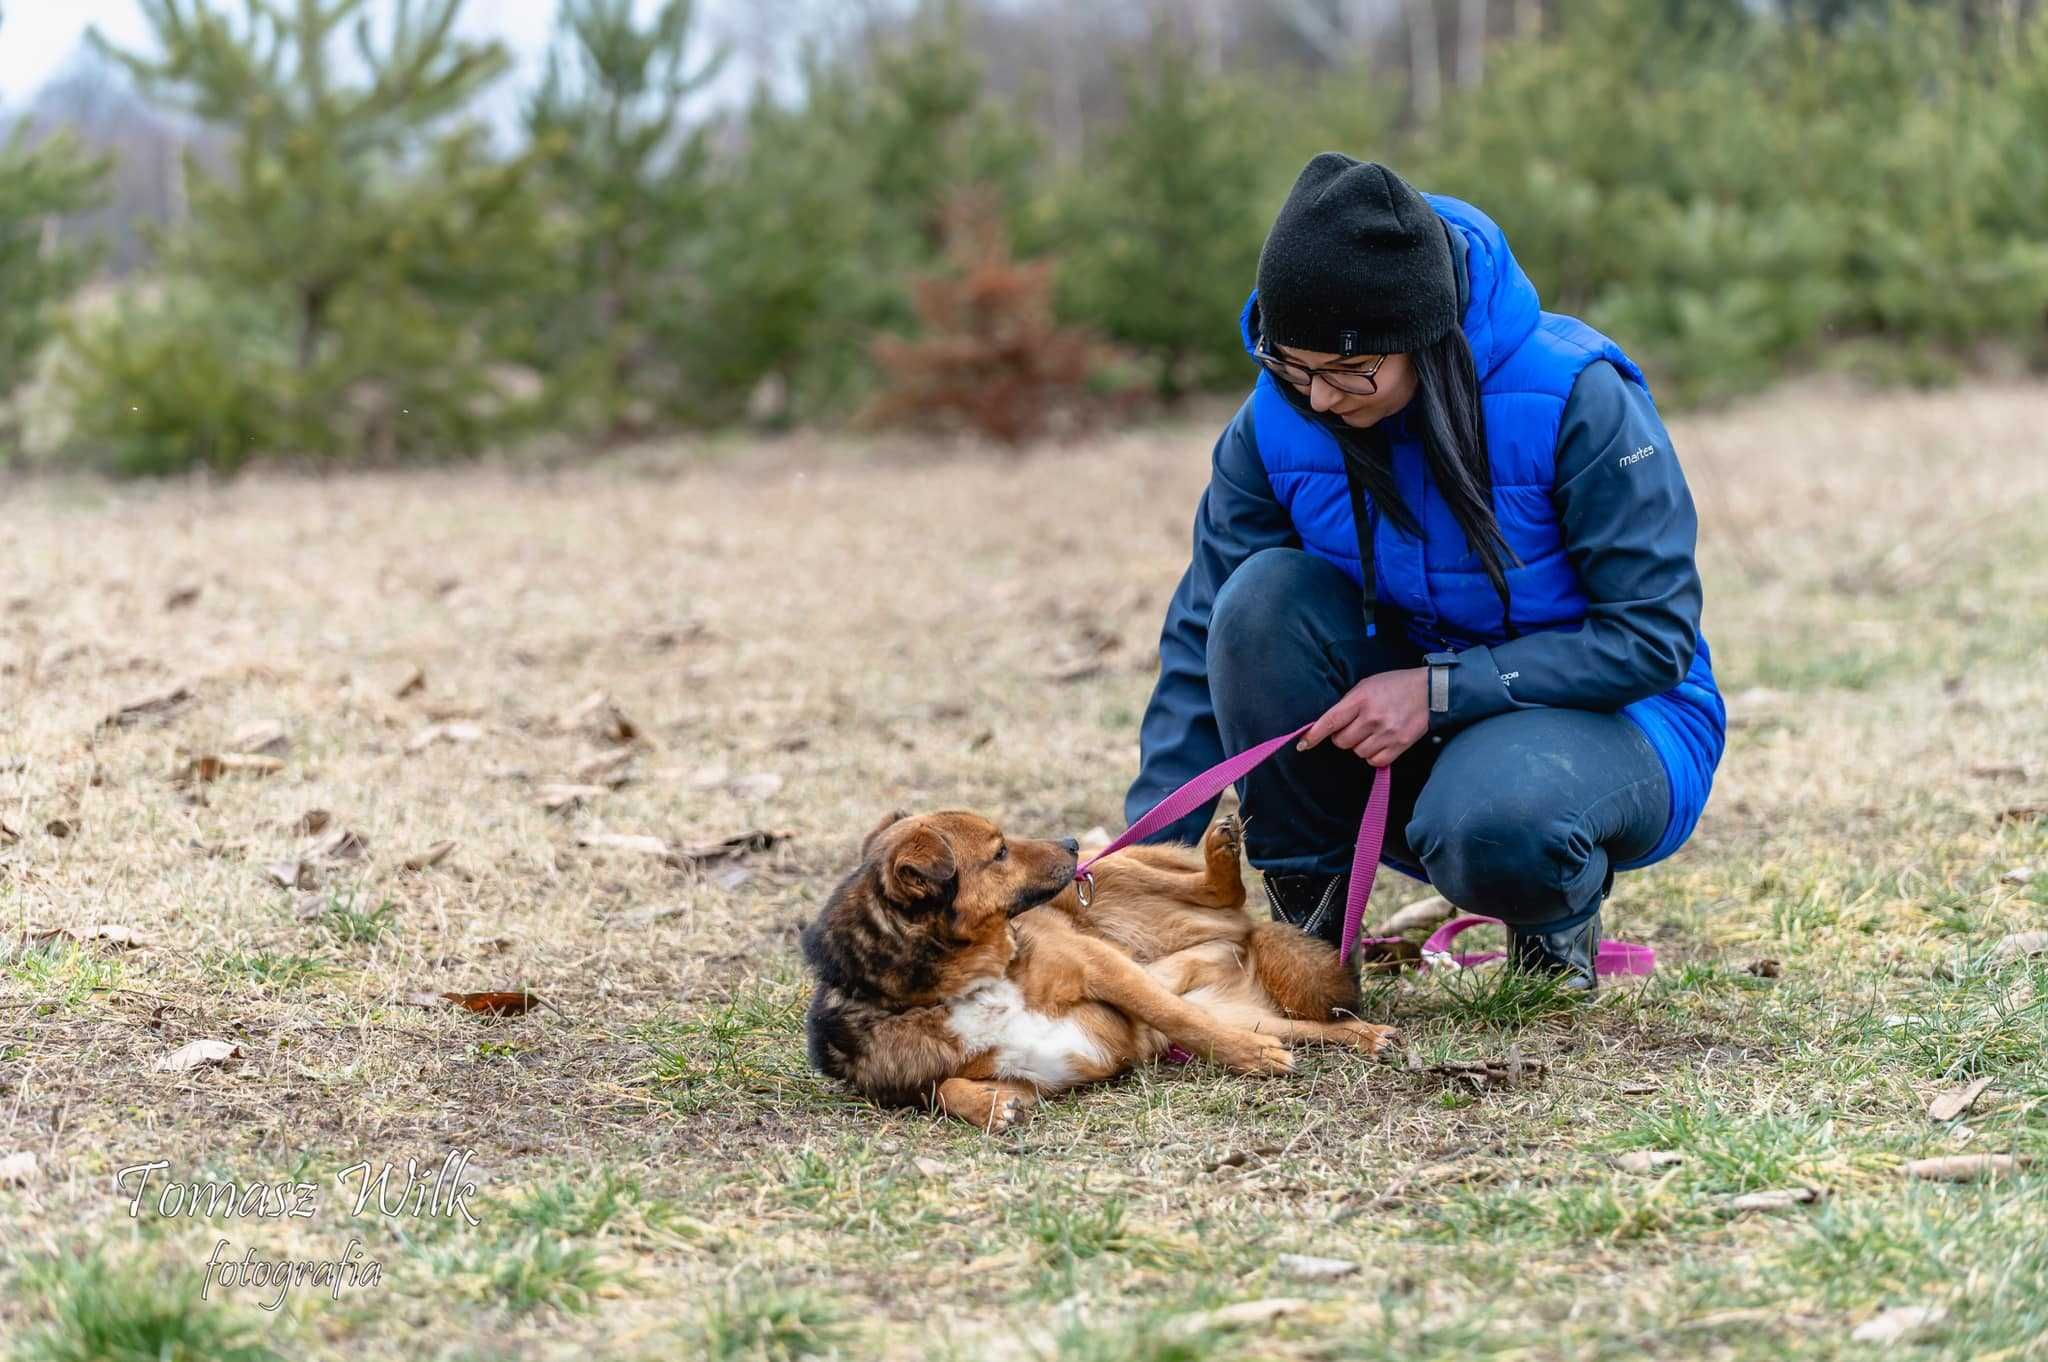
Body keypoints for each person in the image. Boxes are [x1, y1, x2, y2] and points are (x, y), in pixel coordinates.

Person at [1126, 155, 1726, 992]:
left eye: (1348, 372)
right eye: (1294, 369)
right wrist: (1152, 855)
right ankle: (1313, 952)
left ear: (1422, 336)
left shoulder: (1577, 399)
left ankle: (1553, 929)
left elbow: (1651, 639)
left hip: (1612, 719)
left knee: (1497, 821)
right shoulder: (1275, 423)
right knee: (1259, 600)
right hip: (1406, 715)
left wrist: (1437, 690)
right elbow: (1205, 635)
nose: (1323, 401)